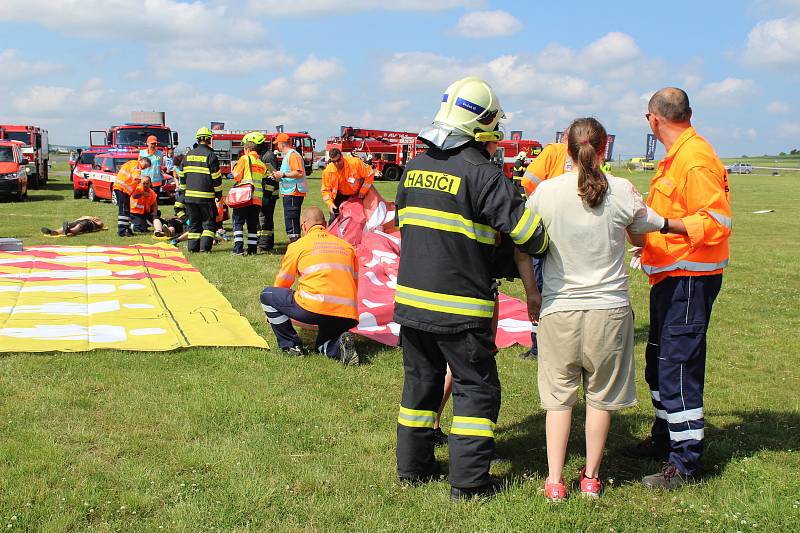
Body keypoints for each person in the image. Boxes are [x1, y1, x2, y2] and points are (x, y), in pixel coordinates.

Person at [394, 76, 548, 501]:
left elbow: (408, 224)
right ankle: (469, 482)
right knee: (476, 391)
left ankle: (413, 468)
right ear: (486, 126)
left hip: (411, 301)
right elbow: (531, 236)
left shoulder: (415, 166)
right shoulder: (482, 173)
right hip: (461, 308)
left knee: (419, 386)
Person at [527, 117, 668, 501]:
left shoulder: (547, 192)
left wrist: (531, 292)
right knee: (601, 397)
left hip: (560, 309)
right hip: (610, 310)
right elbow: (646, 228)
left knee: (558, 399)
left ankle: (554, 480)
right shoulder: (621, 189)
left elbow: (521, 244)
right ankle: (590, 476)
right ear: (603, 148)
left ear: (565, 149)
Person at [629, 87, 732, 490]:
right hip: (670, 275)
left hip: (691, 278)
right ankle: (664, 438)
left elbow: (718, 222)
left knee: (679, 366)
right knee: (658, 361)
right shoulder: (677, 158)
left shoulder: (694, 159)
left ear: (653, 120)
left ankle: (685, 461)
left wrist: (661, 225)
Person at [259, 207, 361, 365]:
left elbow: (283, 282)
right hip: (347, 313)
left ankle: (291, 346)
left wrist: (273, 310)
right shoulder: (347, 247)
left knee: (268, 295)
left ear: (304, 225)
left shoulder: (299, 246)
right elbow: (354, 282)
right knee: (321, 345)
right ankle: (339, 346)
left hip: (314, 307)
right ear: (325, 224)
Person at [180, 127, 223, 253]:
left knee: (194, 224)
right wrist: (218, 194)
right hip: (206, 197)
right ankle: (205, 248)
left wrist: (184, 194)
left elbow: (182, 177)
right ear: (209, 139)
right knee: (208, 224)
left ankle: (192, 248)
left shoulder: (188, 155)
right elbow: (216, 178)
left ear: (197, 139)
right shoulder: (211, 155)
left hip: (190, 197)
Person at [230, 132, 268, 256]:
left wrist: (232, 171)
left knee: (238, 221)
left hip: (244, 197)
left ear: (247, 149)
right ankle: (252, 249)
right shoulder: (262, 164)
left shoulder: (245, 159)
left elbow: (236, 176)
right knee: (252, 224)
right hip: (257, 198)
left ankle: (238, 249)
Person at [321, 148, 379, 220]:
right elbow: (325, 190)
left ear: (342, 156)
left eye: (338, 160)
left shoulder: (355, 163)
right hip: (339, 195)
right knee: (334, 219)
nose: (337, 163)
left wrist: (363, 191)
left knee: (359, 218)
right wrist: (330, 203)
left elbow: (370, 173)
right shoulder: (328, 171)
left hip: (357, 194)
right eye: (334, 161)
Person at [272, 133, 308, 243]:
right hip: (290, 191)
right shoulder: (289, 156)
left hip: (294, 191)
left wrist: (282, 175)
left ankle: (294, 242)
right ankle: (294, 241)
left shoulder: (293, 155)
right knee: (290, 218)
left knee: (291, 218)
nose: (277, 146)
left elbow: (299, 173)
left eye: (277, 144)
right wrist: (278, 176)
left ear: (281, 144)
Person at [521, 132, 572, 197]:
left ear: (565, 137)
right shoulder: (586, 152)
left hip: (552, 201)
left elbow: (528, 181)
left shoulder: (554, 150)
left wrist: (537, 201)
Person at [113, 157, 150, 237]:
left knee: (125, 210)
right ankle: (122, 231)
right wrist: (139, 183)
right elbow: (136, 177)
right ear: (142, 161)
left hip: (122, 188)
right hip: (122, 189)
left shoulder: (131, 163)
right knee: (123, 211)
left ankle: (126, 228)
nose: (144, 168)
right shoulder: (137, 166)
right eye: (146, 166)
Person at [258, 138, 280, 252]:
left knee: (265, 218)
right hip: (266, 192)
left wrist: (266, 195)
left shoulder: (268, 156)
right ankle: (264, 242)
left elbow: (272, 177)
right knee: (263, 217)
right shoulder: (264, 155)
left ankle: (264, 244)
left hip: (269, 193)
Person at [41, 216, 106, 236]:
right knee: (69, 225)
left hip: (88, 223)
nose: (95, 217)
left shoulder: (96, 220)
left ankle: (69, 230)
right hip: (79, 221)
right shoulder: (86, 216)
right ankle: (53, 232)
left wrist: (93, 220)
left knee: (79, 226)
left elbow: (100, 225)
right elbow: (78, 219)